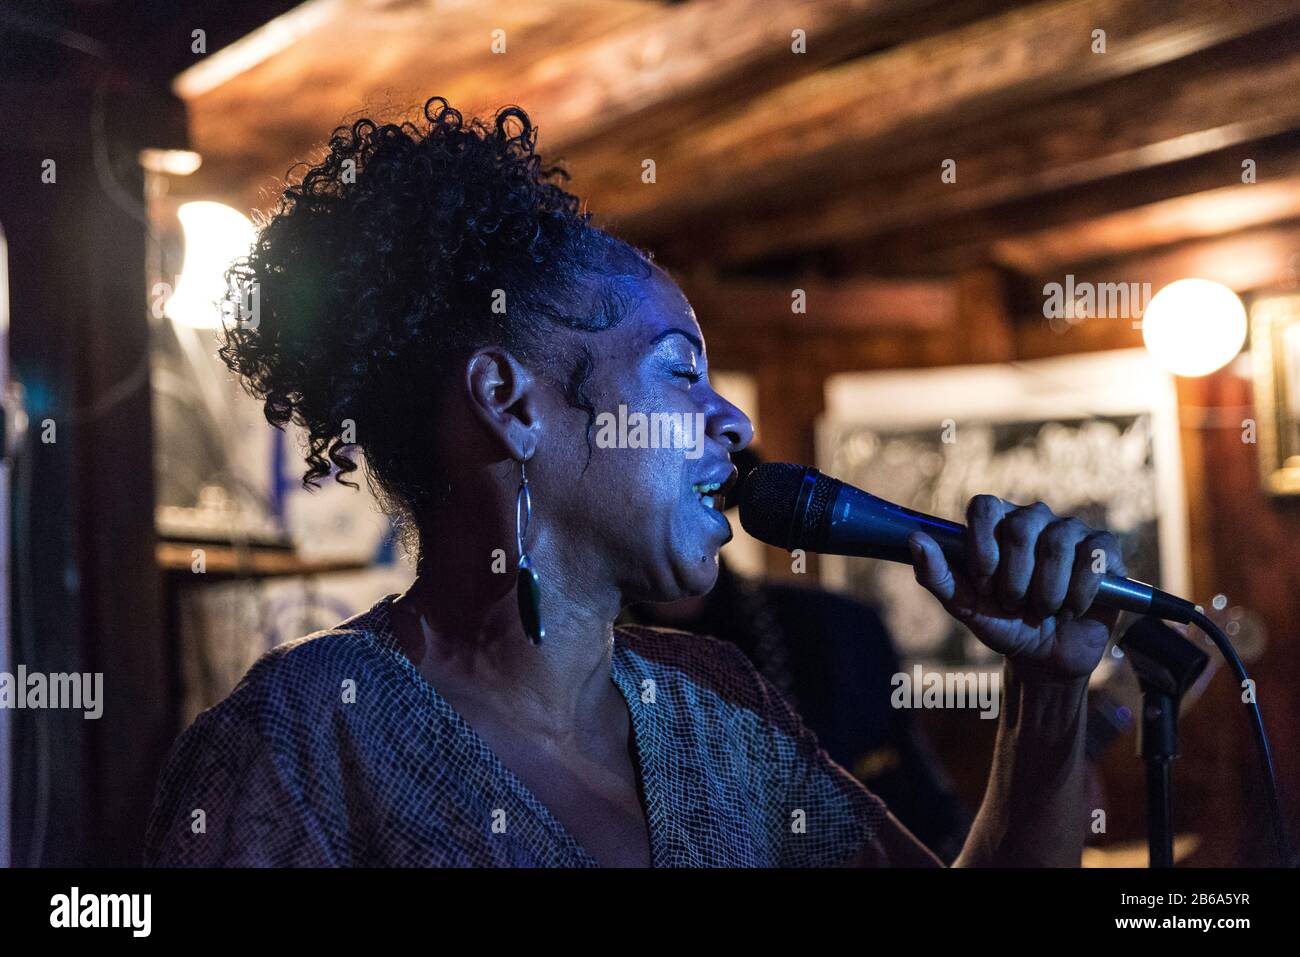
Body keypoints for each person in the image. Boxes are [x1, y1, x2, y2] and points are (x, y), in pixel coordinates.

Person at [144, 98, 1127, 867]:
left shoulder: (717, 712)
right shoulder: (302, 740)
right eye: (677, 370)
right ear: (509, 403)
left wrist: (1047, 692)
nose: (734, 421)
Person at [624, 451, 973, 863]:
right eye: (680, 381)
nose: (730, 424)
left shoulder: (840, 627)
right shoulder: (590, 665)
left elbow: (927, 814)